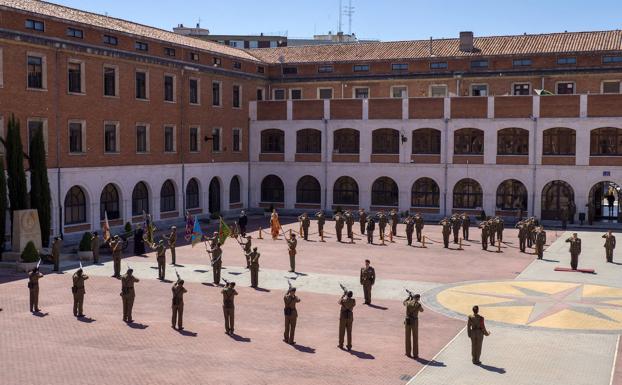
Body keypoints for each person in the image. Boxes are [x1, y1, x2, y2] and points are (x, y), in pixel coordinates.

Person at [404, 293, 424, 358]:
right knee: (415, 337)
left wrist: (408, 298)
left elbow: (404, 302)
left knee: (407, 337)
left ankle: (408, 353)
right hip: (414, 322)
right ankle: (415, 354)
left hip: (407, 321)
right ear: (418, 298)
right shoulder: (418, 304)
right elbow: (422, 310)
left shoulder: (408, 302)